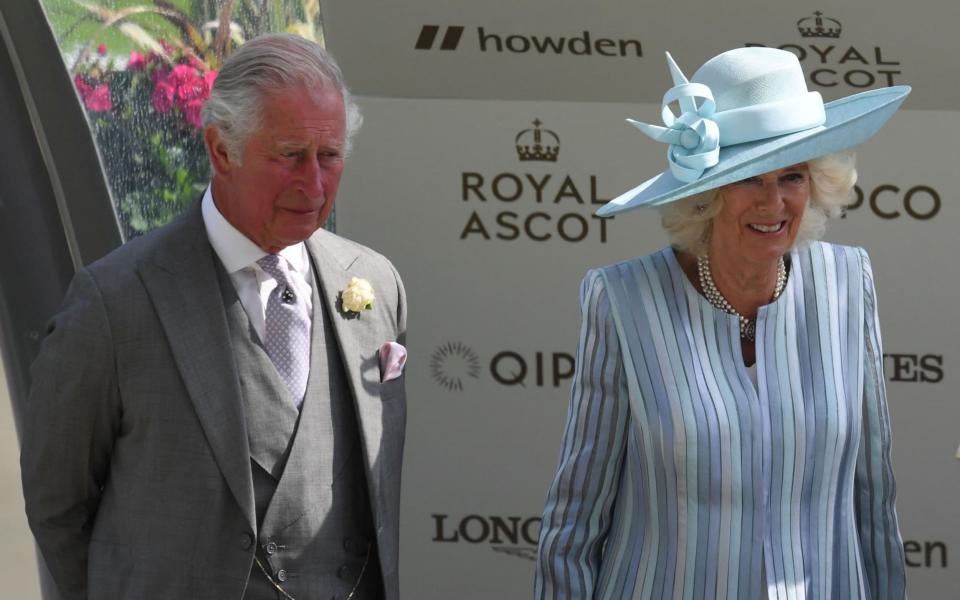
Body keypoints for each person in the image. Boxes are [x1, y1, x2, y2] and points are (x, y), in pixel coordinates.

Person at [21, 33, 407, 600]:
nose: (314, 183)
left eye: (329, 156)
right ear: (222, 149)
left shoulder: (375, 284)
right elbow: (58, 505)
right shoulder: (115, 301)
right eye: (289, 155)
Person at [535, 47, 909, 599]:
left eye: (792, 176)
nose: (774, 202)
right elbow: (576, 518)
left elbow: (873, 499)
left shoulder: (848, 283)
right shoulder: (623, 299)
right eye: (749, 179)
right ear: (706, 192)